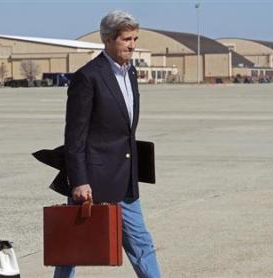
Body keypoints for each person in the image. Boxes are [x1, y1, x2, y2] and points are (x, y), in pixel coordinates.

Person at [54, 10, 161, 278]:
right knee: (72, 247)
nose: (133, 45)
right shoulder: (88, 77)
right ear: (109, 40)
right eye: (126, 39)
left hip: (125, 177)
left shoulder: (131, 73)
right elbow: (75, 135)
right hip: (93, 179)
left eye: (134, 38)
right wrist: (79, 180)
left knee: (141, 243)